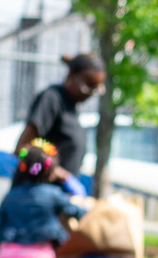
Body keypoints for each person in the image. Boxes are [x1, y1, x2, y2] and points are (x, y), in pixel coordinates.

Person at [15, 53, 105, 190]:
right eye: (87, 86)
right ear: (72, 74)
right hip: (37, 196)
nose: (89, 94)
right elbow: (21, 149)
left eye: (95, 90)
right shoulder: (52, 99)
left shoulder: (72, 108)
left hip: (58, 199)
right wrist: (55, 171)